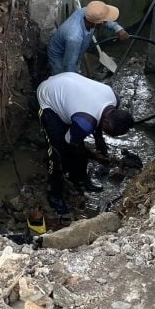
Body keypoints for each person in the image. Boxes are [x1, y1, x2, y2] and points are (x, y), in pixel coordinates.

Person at [37, 72, 134, 211]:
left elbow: (98, 117)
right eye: (109, 133)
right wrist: (96, 157)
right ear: (107, 121)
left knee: (78, 139)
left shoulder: (114, 99)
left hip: (67, 84)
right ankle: (54, 194)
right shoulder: (85, 122)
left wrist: (98, 138)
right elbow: (72, 144)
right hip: (48, 96)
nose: (109, 135)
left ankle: (78, 178)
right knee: (58, 151)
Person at [47, 1, 129, 75]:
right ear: (97, 24)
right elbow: (69, 65)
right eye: (105, 22)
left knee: (75, 63)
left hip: (72, 48)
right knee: (63, 77)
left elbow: (105, 19)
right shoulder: (74, 37)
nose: (107, 22)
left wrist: (118, 29)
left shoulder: (89, 13)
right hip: (58, 55)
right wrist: (73, 78)